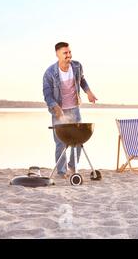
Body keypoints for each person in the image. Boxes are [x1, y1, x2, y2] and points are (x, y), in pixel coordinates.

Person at [43, 42, 98, 178]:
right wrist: (56, 108)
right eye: (65, 53)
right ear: (57, 54)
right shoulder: (50, 73)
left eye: (69, 52)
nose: (68, 55)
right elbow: (47, 94)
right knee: (60, 143)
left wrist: (89, 92)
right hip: (59, 111)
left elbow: (82, 80)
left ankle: (73, 166)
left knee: (79, 140)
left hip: (74, 109)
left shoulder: (77, 66)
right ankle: (61, 172)